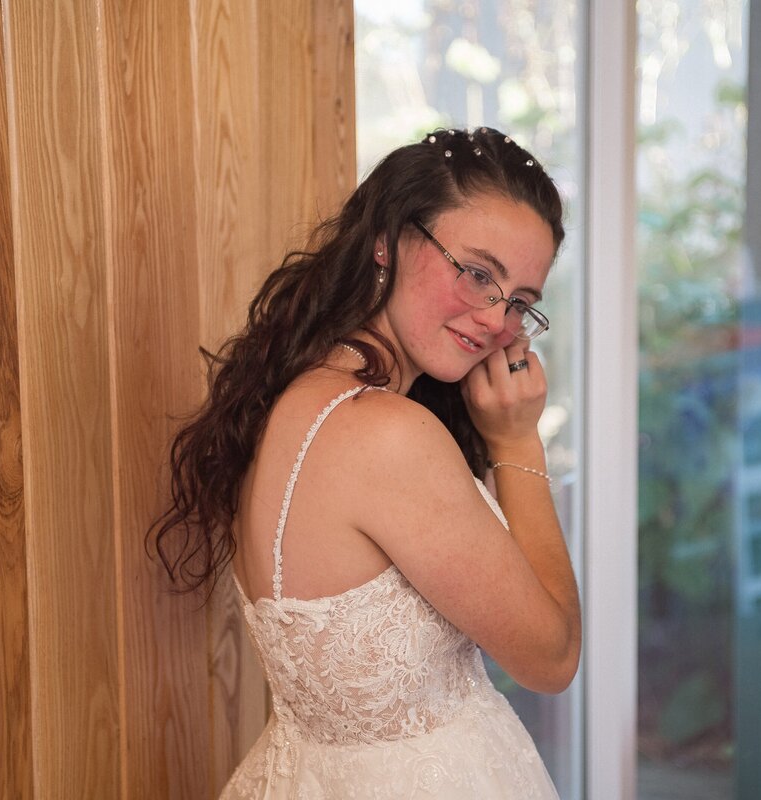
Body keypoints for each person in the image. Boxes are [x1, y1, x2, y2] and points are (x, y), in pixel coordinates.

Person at [151, 126, 582, 798]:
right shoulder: (384, 434)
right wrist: (517, 441)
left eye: (521, 302)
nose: (498, 321)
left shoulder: (293, 397)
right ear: (387, 238)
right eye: (476, 274)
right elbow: (552, 657)